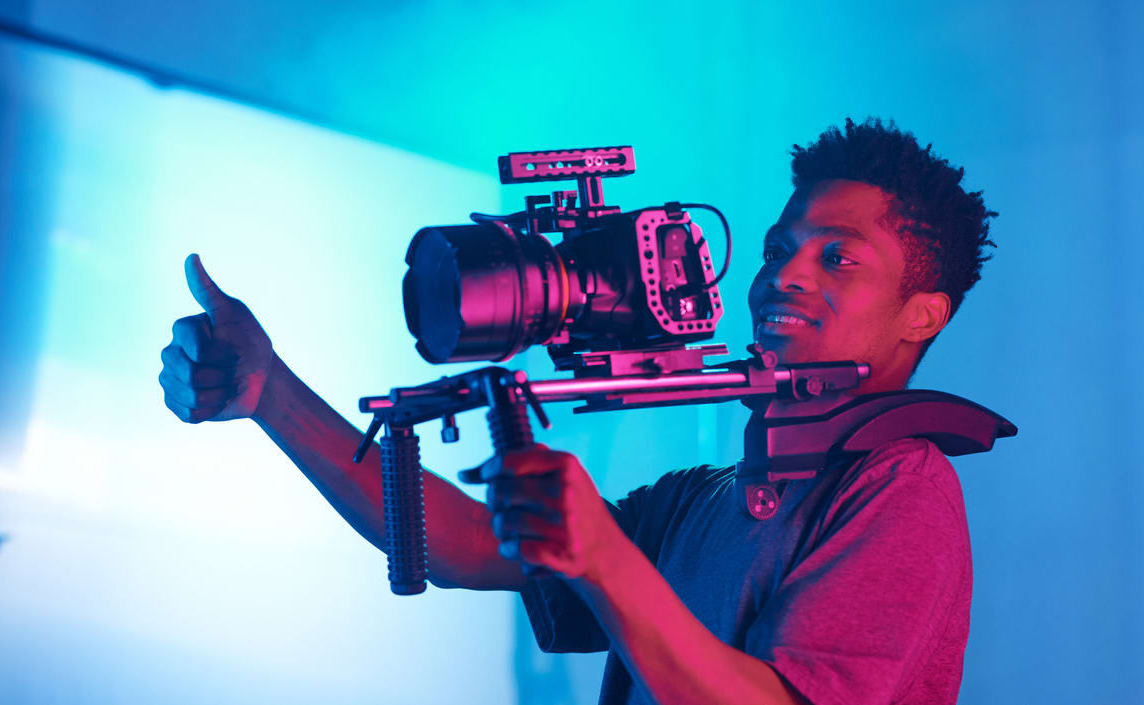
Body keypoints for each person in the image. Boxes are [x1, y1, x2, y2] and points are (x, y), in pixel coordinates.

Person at [158, 117, 998, 705]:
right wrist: (270, 394)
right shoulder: (700, 501)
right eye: (780, 248)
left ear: (924, 313)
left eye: (837, 256)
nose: (786, 273)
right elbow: (457, 542)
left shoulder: (902, 486)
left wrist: (604, 558)